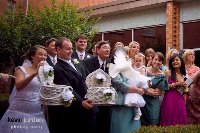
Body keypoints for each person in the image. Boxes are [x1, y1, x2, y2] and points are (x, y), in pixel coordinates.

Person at [48, 37, 95, 133]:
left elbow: (88, 79)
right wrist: (81, 102)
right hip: (74, 110)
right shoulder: (57, 69)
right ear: (58, 50)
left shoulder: (77, 62)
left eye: (71, 49)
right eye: (68, 49)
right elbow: (67, 89)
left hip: (89, 106)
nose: (71, 51)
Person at [0, 45, 50, 133]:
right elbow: (19, 86)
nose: (43, 57)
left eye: (45, 55)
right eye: (40, 54)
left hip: (36, 113)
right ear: (32, 56)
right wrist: (35, 73)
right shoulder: (21, 70)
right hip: (19, 112)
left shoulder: (46, 73)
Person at [109, 47, 142, 133]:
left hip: (132, 104)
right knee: (121, 128)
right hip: (121, 104)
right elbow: (121, 85)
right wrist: (137, 90)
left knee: (133, 128)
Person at [83, 40, 111, 133]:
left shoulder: (111, 63)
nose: (107, 50)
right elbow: (85, 80)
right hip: (92, 102)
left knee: (105, 126)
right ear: (97, 50)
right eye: (105, 47)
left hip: (107, 103)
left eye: (108, 48)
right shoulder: (87, 62)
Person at [141, 52, 168, 126]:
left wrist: (146, 89)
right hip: (142, 101)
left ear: (162, 62)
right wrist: (147, 91)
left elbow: (156, 93)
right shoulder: (144, 70)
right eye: (155, 59)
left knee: (152, 124)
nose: (157, 62)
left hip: (153, 103)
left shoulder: (162, 76)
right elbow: (140, 85)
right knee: (141, 124)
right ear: (152, 60)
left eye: (160, 60)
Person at [160, 54, 188, 126]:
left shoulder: (183, 75)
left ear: (181, 61)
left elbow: (185, 92)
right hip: (169, 98)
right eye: (173, 60)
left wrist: (185, 88)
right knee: (169, 119)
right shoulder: (167, 72)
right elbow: (163, 87)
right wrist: (177, 84)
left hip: (180, 99)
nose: (175, 62)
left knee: (181, 119)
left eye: (176, 60)